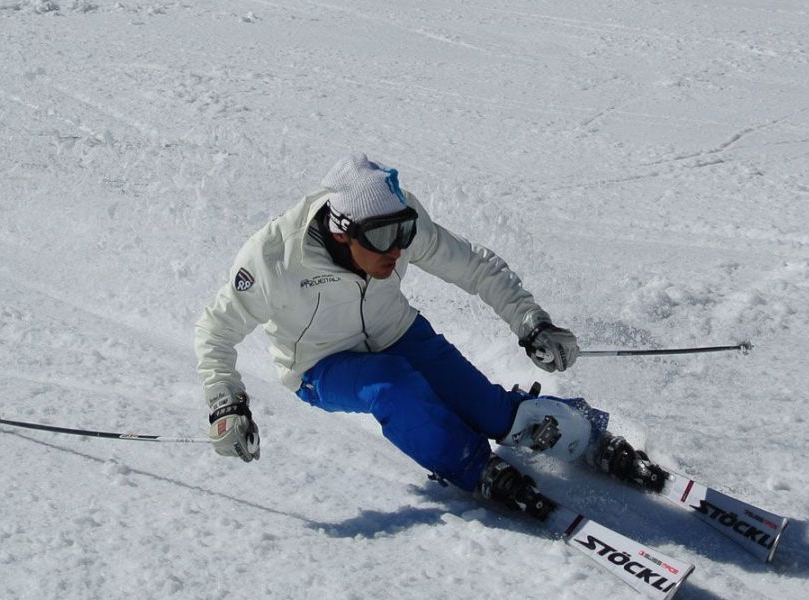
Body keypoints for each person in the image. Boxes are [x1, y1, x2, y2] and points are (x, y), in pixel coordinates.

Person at [194, 154, 658, 520]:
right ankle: (475, 467)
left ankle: (588, 434)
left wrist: (531, 321)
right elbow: (215, 331)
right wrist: (226, 403)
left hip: (397, 331)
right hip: (320, 366)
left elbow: (474, 265)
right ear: (341, 231)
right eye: (381, 239)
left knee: (494, 412)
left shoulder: (393, 220)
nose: (396, 251)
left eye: (404, 233)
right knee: (392, 385)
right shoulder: (273, 259)